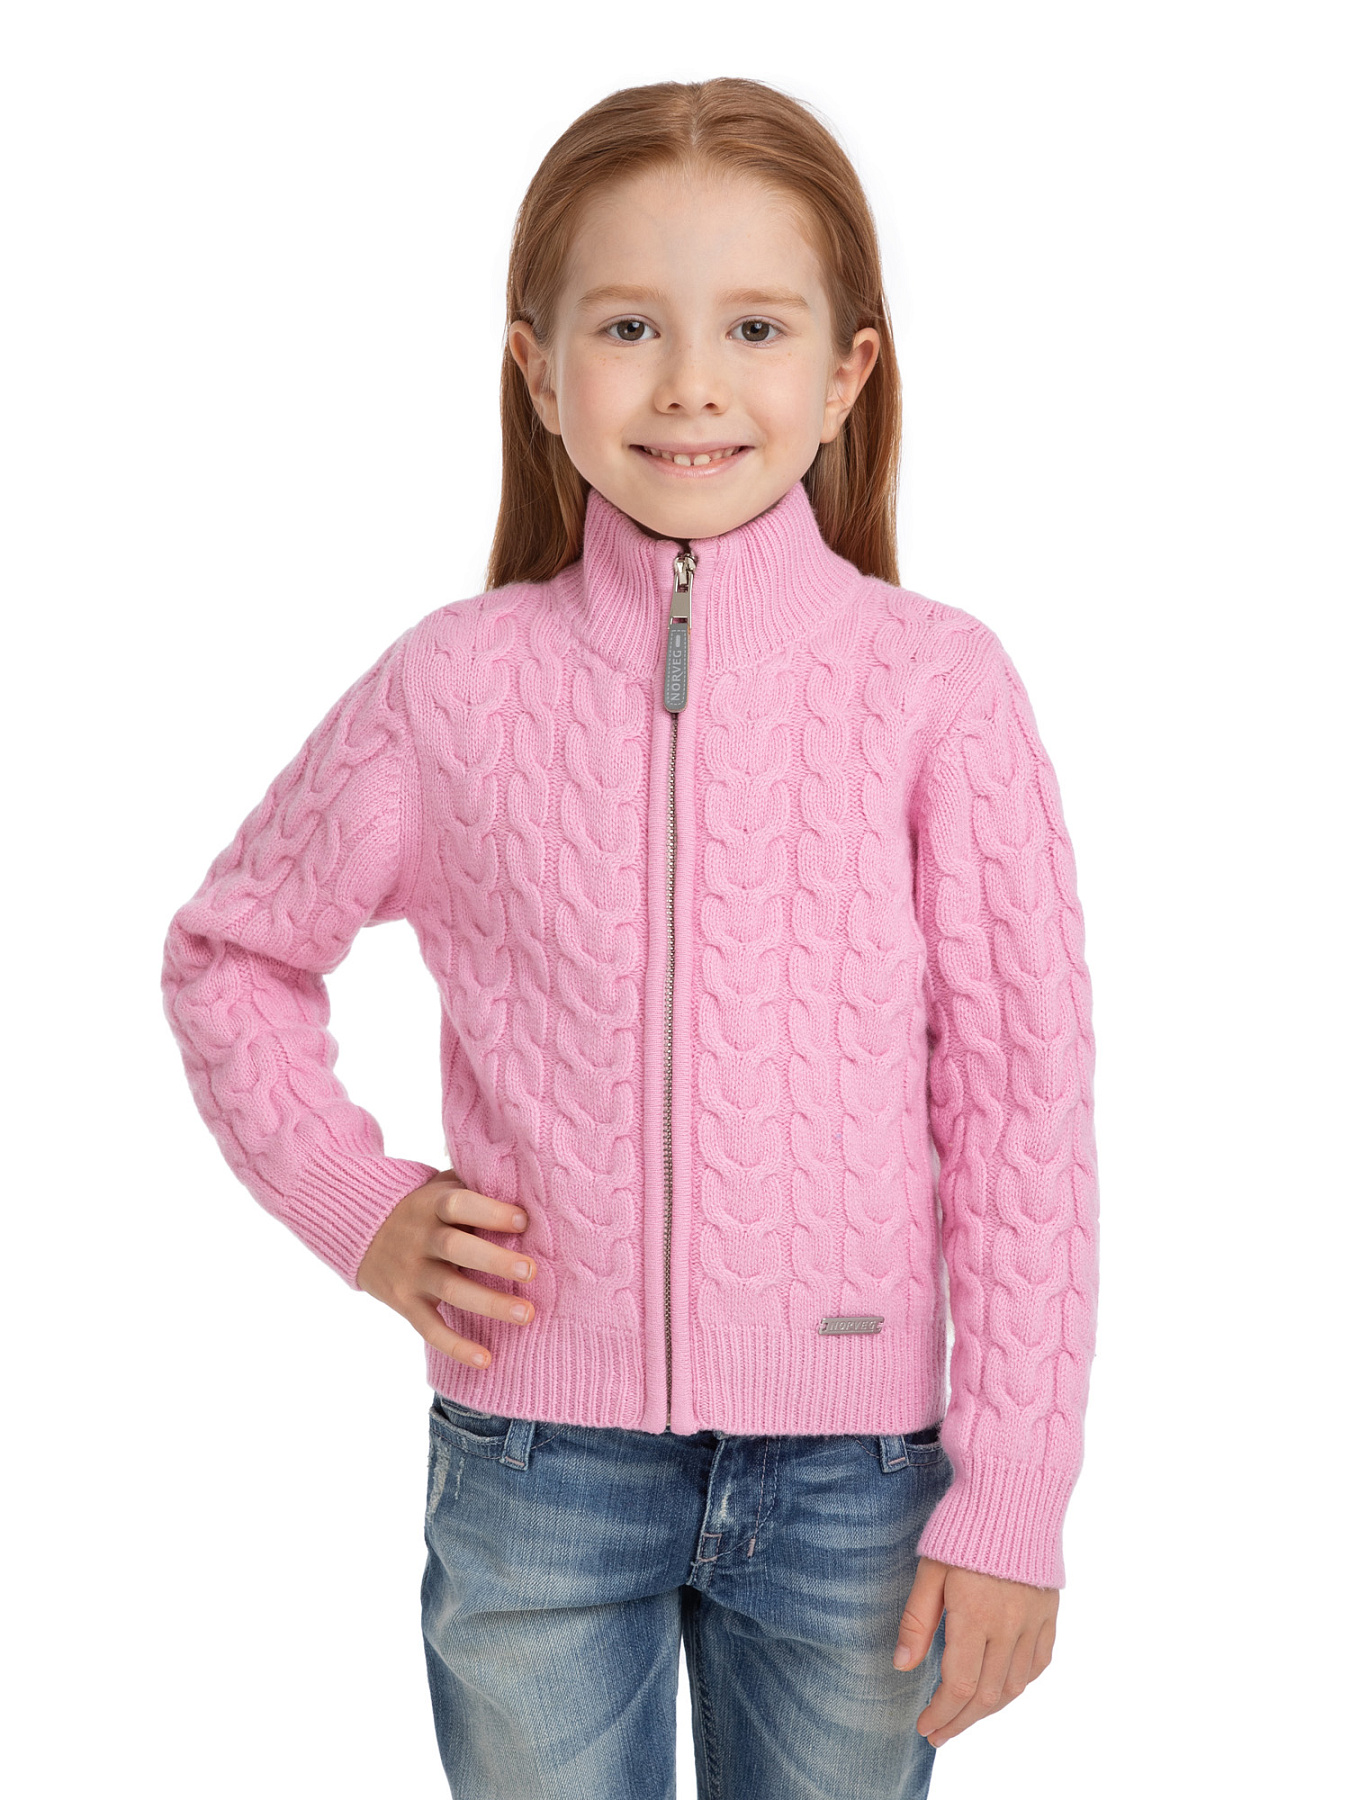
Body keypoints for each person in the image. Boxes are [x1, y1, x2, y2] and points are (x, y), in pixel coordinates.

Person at [161, 76, 1100, 1800]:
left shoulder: (934, 690)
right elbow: (234, 954)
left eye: (753, 325)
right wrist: (357, 1206)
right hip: (537, 1455)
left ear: (846, 372)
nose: (687, 381)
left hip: (855, 1477)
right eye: (625, 326)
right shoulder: (454, 686)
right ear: (537, 371)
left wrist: (1014, 1493)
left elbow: (1019, 1105)